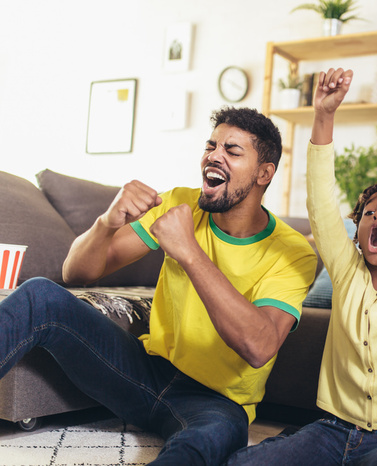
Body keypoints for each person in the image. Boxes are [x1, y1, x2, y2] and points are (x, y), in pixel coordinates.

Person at [0, 107, 318, 465]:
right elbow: (76, 273)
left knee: (203, 446)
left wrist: (189, 252)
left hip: (217, 403)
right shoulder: (179, 202)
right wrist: (106, 222)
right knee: (40, 295)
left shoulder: (291, 251)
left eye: (232, 151)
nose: (214, 155)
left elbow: (259, 346)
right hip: (141, 372)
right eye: (211, 146)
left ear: (264, 173)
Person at [227, 59, 377, 465]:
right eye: (370, 212)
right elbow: (321, 202)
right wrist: (324, 114)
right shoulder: (346, 269)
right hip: (329, 430)